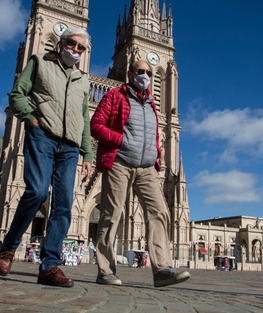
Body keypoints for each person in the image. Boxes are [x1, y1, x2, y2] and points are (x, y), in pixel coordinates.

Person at [0, 26, 92, 288]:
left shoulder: (83, 80)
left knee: (63, 205)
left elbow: (84, 118)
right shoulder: (39, 62)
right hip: (42, 136)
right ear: (60, 44)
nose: (75, 49)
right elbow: (17, 94)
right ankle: (9, 247)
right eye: (71, 43)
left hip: (70, 147)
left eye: (81, 47)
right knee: (37, 192)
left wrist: (87, 154)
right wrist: (32, 120)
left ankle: (49, 266)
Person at [90, 60, 191, 287]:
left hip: (147, 168)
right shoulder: (115, 95)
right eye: (140, 71)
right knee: (111, 214)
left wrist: (157, 154)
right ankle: (105, 270)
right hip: (120, 163)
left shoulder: (152, 103)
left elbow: (153, 133)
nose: (145, 75)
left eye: (149, 72)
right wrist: (121, 141)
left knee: (159, 212)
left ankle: (162, 269)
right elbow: (95, 125)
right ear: (129, 73)